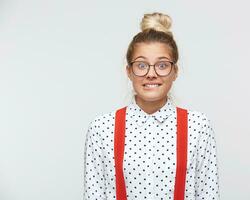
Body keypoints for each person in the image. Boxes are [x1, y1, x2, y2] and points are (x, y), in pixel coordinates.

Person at [83, 12, 220, 200]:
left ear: (175, 72)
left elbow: (208, 195)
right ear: (129, 71)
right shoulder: (102, 128)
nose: (151, 74)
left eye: (162, 65)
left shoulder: (197, 127)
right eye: (141, 65)